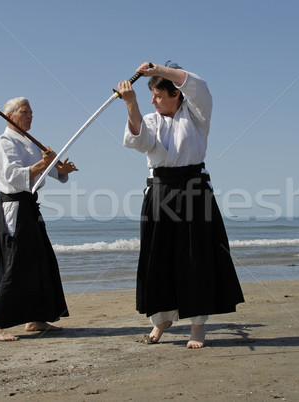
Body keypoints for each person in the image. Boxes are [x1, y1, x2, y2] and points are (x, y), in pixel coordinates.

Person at [117, 62, 244, 348]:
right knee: (158, 257)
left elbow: (196, 84)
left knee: (195, 257)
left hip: (194, 190)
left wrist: (157, 69)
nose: (154, 100)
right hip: (160, 190)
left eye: (159, 95)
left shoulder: (197, 114)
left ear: (176, 94)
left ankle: (198, 327)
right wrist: (131, 103)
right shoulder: (150, 119)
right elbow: (140, 141)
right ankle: (161, 319)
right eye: (151, 95)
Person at [0, 97, 78, 341]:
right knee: (18, 261)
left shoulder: (29, 142)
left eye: (32, 112)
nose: (30, 116)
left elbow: (47, 171)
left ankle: (35, 319)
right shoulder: (3, 143)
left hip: (30, 205)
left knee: (40, 259)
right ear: (10, 115)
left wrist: (60, 170)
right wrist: (42, 163)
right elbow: (14, 177)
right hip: (13, 205)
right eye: (25, 112)